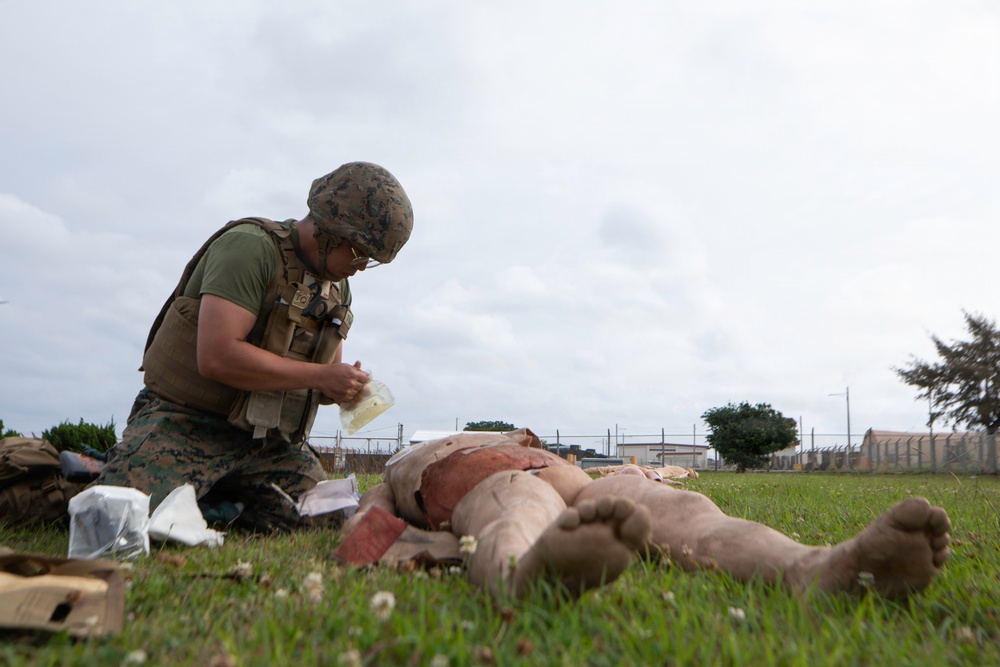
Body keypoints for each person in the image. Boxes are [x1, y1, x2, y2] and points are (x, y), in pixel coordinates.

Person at [95, 162, 413, 531]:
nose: (359, 267)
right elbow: (217, 357)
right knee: (114, 519)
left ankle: (211, 503)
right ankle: (92, 470)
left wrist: (343, 387)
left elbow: (321, 380)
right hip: (188, 423)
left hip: (269, 444)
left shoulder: (336, 287)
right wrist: (321, 377)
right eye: (358, 253)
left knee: (327, 519)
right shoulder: (251, 248)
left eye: (369, 260)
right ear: (329, 230)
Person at [334, 430, 951, 600]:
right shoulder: (404, 464)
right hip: (491, 488)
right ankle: (525, 574)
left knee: (692, 516)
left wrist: (632, 479)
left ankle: (818, 568)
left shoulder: (526, 442)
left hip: (579, 485)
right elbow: (369, 516)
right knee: (517, 512)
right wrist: (376, 529)